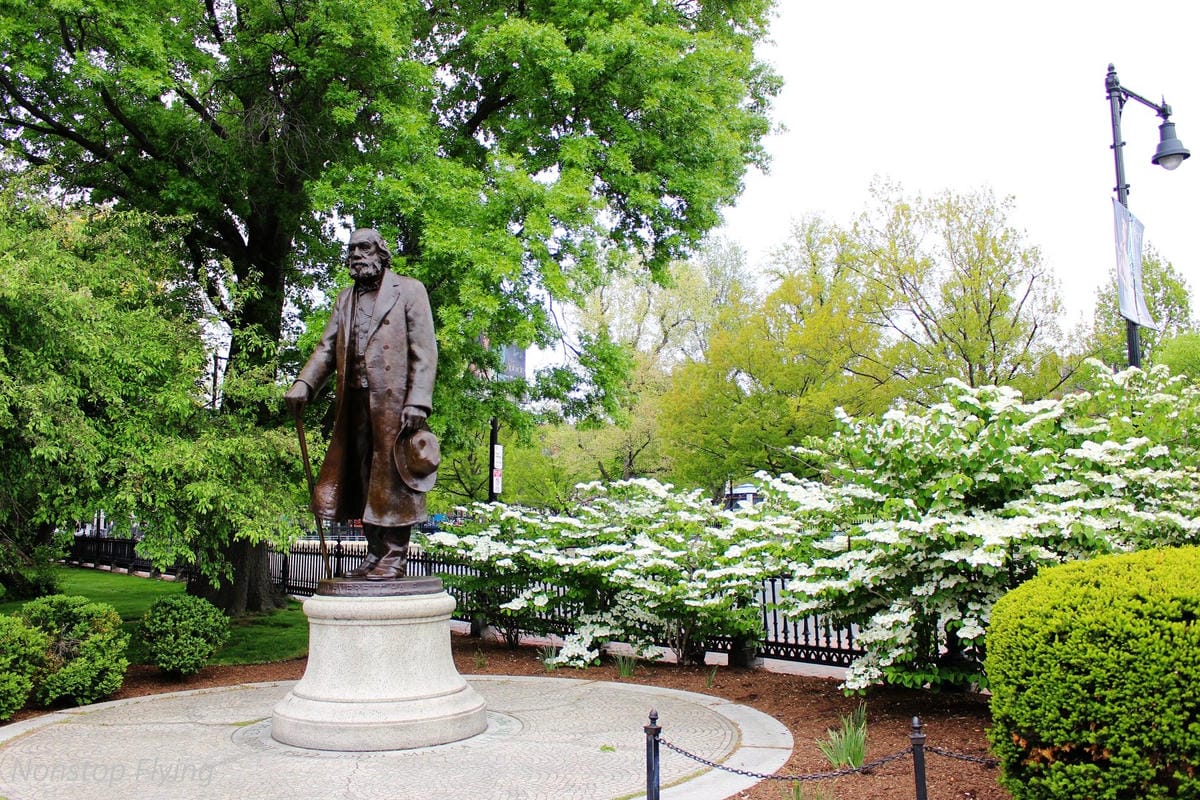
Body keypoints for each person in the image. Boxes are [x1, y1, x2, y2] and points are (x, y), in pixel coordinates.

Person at [284, 228, 438, 580]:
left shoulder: (409, 291)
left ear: (381, 253)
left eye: (363, 247)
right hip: (353, 401)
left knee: (395, 477)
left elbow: (425, 351)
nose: (356, 254)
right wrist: (304, 383)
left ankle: (395, 555)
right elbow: (326, 347)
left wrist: (419, 400)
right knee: (363, 476)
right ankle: (374, 551)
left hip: (394, 404)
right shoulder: (345, 299)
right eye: (351, 249)